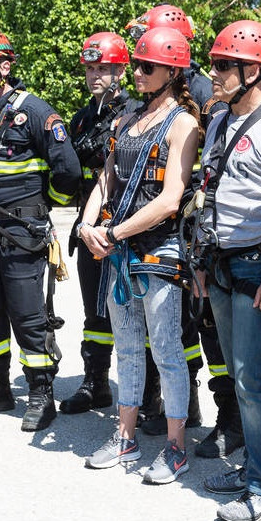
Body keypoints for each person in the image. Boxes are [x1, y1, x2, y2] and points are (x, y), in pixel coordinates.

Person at [81, 26, 200, 484]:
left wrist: (113, 232)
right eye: (135, 64)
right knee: (128, 350)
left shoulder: (185, 124)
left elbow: (171, 199)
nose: (136, 73)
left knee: (168, 351)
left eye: (146, 66)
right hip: (118, 250)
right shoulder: (127, 120)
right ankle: (125, 437)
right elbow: (106, 180)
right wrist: (89, 225)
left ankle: (175, 447)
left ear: (172, 72)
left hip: (159, 251)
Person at [192, 21, 261, 521]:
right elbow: (208, 194)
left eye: (221, 66)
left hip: (258, 266)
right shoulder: (219, 121)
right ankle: (254, 466)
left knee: (253, 379)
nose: (212, 74)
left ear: (252, 71)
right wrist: (200, 263)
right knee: (237, 374)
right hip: (219, 264)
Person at [0, 27, 81, 431]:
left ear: (5, 67)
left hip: (22, 234)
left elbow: (69, 172)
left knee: (28, 316)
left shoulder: (36, 111)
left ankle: (41, 393)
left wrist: (43, 211)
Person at [126, 3, 238, 449]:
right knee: (182, 330)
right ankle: (184, 403)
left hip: (193, 231)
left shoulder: (203, 101)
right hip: (182, 234)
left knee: (209, 329)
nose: (141, 62)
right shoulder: (157, 98)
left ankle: (230, 419)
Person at [61, 31, 140, 414]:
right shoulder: (82, 118)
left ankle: (150, 396)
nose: (96, 76)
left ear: (121, 70)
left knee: (134, 313)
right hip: (88, 222)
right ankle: (96, 382)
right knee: (95, 310)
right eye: (91, 68)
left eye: (104, 68)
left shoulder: (135, 110)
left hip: (126, 225)